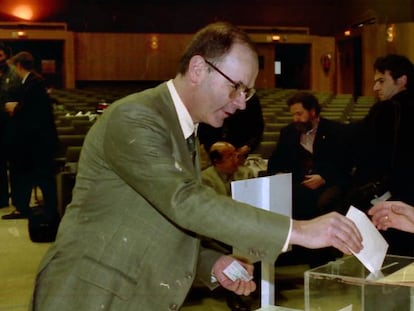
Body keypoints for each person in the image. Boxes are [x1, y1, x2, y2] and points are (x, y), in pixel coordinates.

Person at [31, 22, 362, 311]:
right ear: (199, 69)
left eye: (247, 92)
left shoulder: (185, 129)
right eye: (236, 87)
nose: (241, 102)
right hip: (90, 294)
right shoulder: (135, 117)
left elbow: (163, 218)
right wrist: (298, 230)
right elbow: (183, 202)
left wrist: (211, 263)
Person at [267, 91, 351, 267]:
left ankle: (322, 258)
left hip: (328, 184)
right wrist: (279, 175)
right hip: (299, 185)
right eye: (293, 114)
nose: (295, 118)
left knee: (325, 202)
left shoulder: (336, 131)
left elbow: (346, 164)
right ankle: (292, 255)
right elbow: (276, 162)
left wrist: (324, 177)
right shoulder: (288, 133)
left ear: (312, 111)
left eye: (299, 113)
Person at [343, 54, 414, 256]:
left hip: (394, 200)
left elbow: (366, 152)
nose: (375, 88)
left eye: (381, 81)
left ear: (402, 80)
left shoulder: (388, 108)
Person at [1, 51, 59, 225]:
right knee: (36, 176)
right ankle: (30, 207)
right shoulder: (33, 81)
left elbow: (32, 112)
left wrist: (14, 109)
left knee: (42, 177)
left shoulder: (33, 83)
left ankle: (50, 212)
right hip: (34, 140)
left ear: (18, 65)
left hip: (37, 141)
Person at [201, 141, 255, 311]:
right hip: (216, 230)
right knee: (231, 253)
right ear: (217, 161)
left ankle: (251, 287)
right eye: (230, 156)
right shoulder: (205, 179)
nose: (236, 159)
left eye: (236, 154)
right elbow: (213, 212)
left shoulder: (245, 172)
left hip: (243, 225)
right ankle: (233, 296)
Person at [198, 93, 264, 168]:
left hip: (240, 151)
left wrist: (248, 146)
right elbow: (203, 125)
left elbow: (257, 128)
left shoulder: (251, 98)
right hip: (212, 151)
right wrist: (210, 147)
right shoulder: (211, 94)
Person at [0, 41, 21, 208]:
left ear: (5, 55)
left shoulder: (14, 74)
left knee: (15, 164)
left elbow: (22, 97)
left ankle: (18, 199)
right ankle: (1, 199)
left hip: (12, 125)